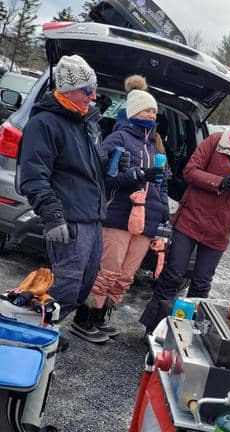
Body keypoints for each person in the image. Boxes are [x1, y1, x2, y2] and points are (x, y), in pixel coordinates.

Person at [138, 102, 230, 333]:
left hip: (218, 231)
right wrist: (219, 182)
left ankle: (185, 335)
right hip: (191, 219)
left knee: (201, 286)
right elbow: (190, 171)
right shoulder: (216, 141)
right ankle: (153, 329)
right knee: (172, 276)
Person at [71, 74, 169, 343]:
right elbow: (102, 177)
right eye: (147, 109)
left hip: (145, 222)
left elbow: (163, 183)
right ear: (135, 111)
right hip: (118, 216)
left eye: (154, 110)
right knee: (107, 271)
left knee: (126, 275)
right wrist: (138, 176)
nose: (152, 114)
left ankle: (101, 317)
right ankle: (84, 317)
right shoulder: (119, 138)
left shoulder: (155, 144)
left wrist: (162, 212)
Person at [20, 54, 109, 343]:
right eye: (87, 90)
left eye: (94, 88)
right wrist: (52, 215)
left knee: (83, 285)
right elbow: (34, 175)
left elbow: (89, 173)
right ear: (67, 89)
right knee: (66, 286)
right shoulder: (44, 123)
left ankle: (47, 327)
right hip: (69, 219)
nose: (93, 96)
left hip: (93, 219)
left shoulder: (84, 123)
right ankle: (31, 332)